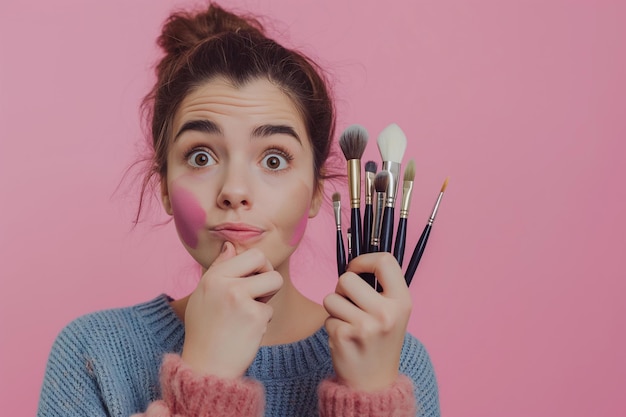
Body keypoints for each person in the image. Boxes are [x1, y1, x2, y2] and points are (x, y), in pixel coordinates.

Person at [36, 3, 440, 416]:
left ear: (317, 191)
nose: (234, 191)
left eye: (274, 160)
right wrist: (205, 378)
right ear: (165, 187)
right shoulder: (93, 354)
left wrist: (369, 397)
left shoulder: (396, 361)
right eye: (200, 157)